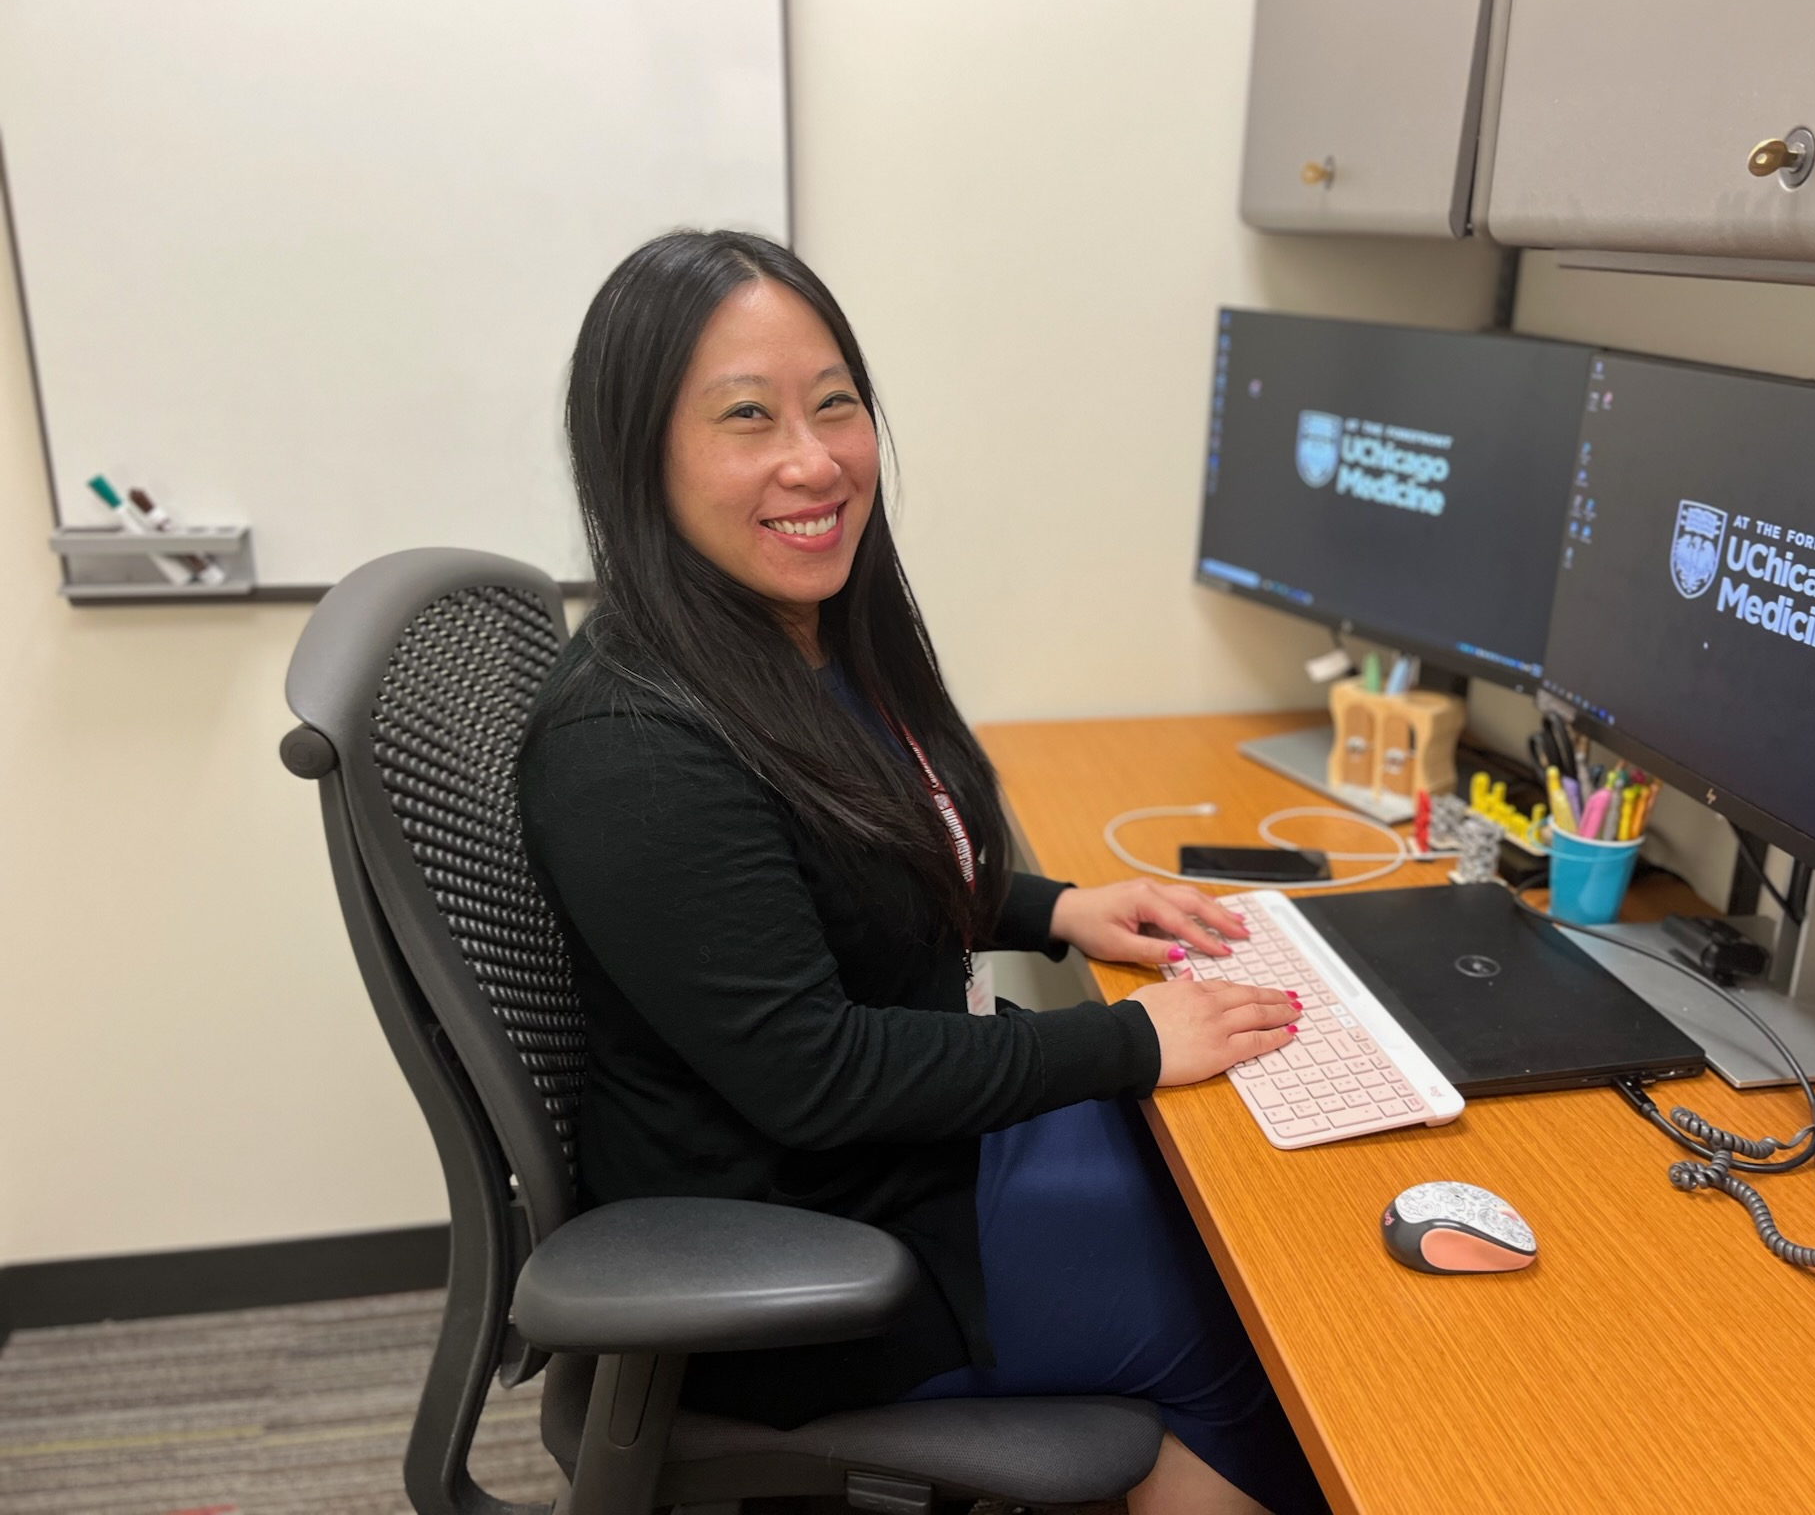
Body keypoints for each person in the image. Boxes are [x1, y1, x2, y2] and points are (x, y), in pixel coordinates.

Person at [518, 229, 1329, 1514]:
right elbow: (815, 1074)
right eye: (747, 418)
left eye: (834, 403)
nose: (814, 457)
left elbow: (846, 866)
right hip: (820, 1238)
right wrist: (1129, 1046)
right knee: (1269, 1352)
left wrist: (1050, 907)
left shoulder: (793, 631)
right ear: (642, 460)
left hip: (911, 1153)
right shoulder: (632, 743)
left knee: (1251, 1238)